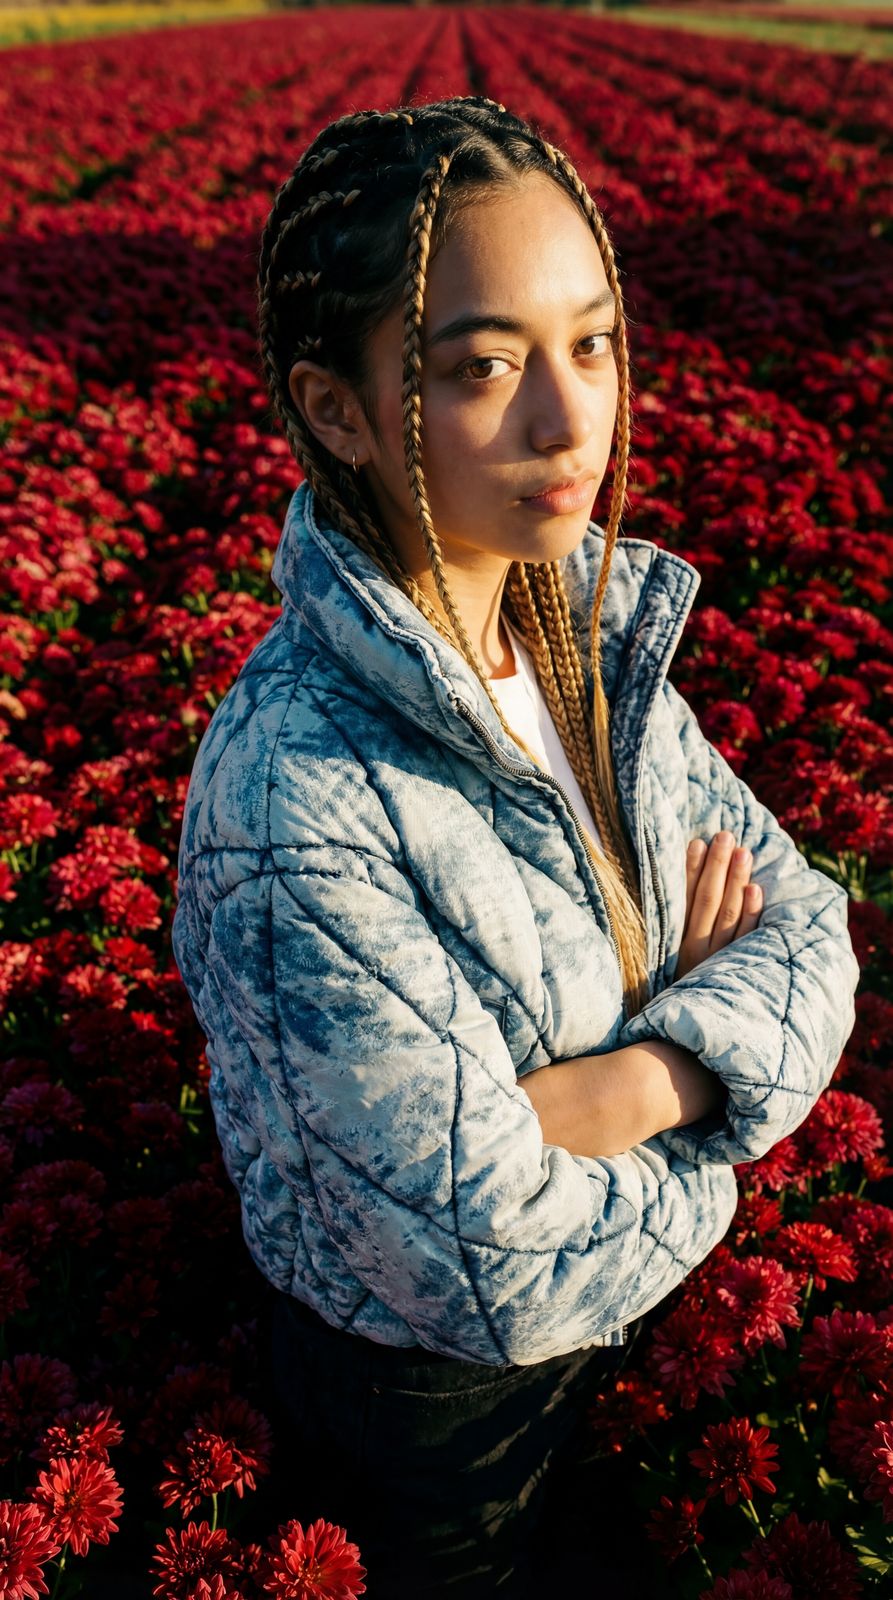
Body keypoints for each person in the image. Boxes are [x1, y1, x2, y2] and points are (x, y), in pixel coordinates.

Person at [170, 96, 860, 1598]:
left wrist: (621, 1088)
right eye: (483, 366)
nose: (568, 422)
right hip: (436, 1424)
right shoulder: (296, 792)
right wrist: (722, 1126)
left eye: (591, 343)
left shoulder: (579, 646)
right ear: (339, 408)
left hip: (609, 1349)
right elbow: (460, 1249)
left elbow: (809, 926)